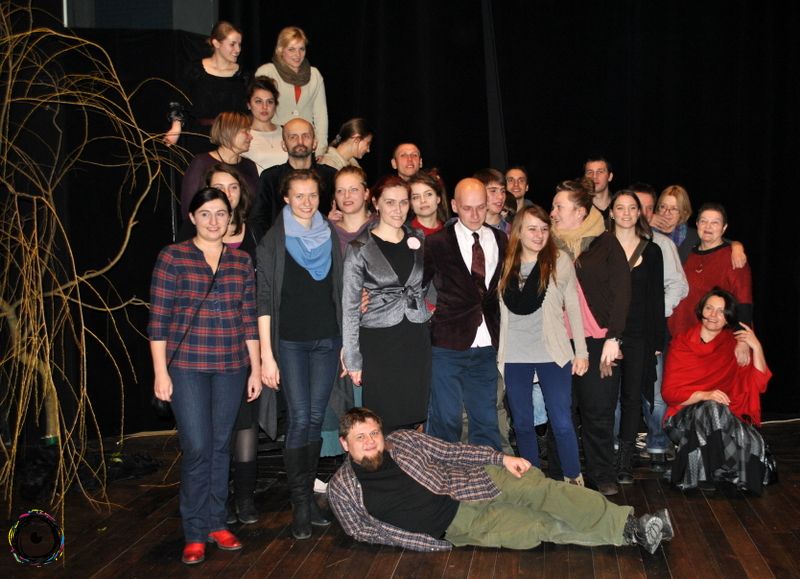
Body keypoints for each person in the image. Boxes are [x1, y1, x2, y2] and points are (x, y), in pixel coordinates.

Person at [328, 408, 673, 554]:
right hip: (460, 526)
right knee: (536, 527)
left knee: (543, 491)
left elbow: (453, 451)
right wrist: (420, 542)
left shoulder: (403, 441)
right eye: (361, 437)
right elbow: (360, 530)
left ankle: (630, 523)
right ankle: (630, 535)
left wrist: (500, 458)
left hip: (474, 479)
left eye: (374, 433)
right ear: (345, 443)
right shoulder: (342, 489)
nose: (371, 441)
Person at [149, 187, 261, 565]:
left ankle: (216, 522)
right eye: (206, 214)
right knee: (197, 447)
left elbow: (248, 319)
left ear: (231, 219)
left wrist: (255, 368)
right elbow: (158, 320)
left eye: (221, 214)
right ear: (192, 217)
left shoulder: (241, 262)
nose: (214, 221)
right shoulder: (173, 257)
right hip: (187, 366)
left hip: (231, 366)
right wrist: (160, 372)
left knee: (220, 446)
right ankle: (194, 531)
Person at [256, 169, 343, 540]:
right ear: (286, 198)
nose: (307, 202)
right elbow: (263, 301)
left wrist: (346, 344)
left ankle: (307, 499)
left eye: (313, 195)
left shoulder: (330, 235)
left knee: (316, 418)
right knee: (300, 418)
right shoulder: (272, 241)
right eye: (299, 195)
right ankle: (301, 505)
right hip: (290, 343)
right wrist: (267, 355)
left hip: (327, 341)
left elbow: (340, 292)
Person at [496, 206, 588, 485]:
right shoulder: (505, 263)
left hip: (553, 353)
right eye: (532, 229)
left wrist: (581, 352)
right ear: (519, 232)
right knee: (523, 424)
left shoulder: (559, 261)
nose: (539, 235)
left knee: (562, 422)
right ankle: (533, 482)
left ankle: (574, 480)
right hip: (514, 354)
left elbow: (574, 307)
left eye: (544, 229)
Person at [550, 179, 630, 496]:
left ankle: (602, 473)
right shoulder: (547, 245)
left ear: (580, 212)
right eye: (553, 206)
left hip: (599, 343)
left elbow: (623, 292)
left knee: (598, 411)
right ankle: (561, 473)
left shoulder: (606, 243)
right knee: (561, 412)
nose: (552, 212)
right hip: (560, 342)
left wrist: (614, 337)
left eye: (559, 206)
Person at [342, 175, 432, 432]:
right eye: (390, 202)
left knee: (415, 413)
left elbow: (428, 285)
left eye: (403, 202)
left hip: (415, 336)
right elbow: (349, 308)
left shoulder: (419, 239)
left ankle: (411, 457)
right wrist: (353, 358)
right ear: (376, 203)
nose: (398, 209)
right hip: (378, 341)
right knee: (383, 418)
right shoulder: (359, 247)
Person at [423, 178, 507, 450]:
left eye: (481, 207)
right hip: (447, 344)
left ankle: (485, 473)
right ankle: (441, 473)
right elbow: (415, 286)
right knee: (446, 418)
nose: (474, 214)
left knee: (486, 419)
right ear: (454, 205)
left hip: (487, 344)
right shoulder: (436, 242)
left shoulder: (501, 239)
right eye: (467, 208)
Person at [662, 289, 771, 494]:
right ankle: (712, 474)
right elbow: (669, 394)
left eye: (721, 311)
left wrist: (755, 346)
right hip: (681, 419)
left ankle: (717, 471)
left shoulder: (733, 346)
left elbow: (759, 384)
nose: (713, 315)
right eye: (709, 308)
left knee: (752, 439)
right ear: (701, 311)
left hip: (722, 418)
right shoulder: (681, 343)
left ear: (728, 317)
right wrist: (705, 395)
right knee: (711, 407)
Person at [630, 183, 689, 471]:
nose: (641, 213)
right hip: (618, 330)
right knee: (618, 391)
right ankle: (619, 444)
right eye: (635, 206)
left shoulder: (663, 244)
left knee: (654, 390)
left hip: (652, 328)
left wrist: (654, 313)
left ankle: (657, 443)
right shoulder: (609, 241)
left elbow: (679, 285)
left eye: (647, 207)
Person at [608, 190, 665, 484]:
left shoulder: (652, 251)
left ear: (639, 213)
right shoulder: (599, 248)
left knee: (632, 399)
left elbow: (656, 299)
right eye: (621, 208)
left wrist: (656, 342)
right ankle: (604, 456)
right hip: (606, 336)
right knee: (605, 399)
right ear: (611, 212)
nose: (627, 213)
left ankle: (624, 462)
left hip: (639, 336)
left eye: (632, 208)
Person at [319, 166, 374, 459]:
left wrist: (373, 295)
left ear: (366, 193)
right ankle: (340, 464)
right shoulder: (323, 232)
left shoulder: (381, 228)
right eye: (340, 190)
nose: (347, 195)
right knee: (336, 399)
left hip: (376, 329)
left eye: (354, 189)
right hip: (333, 327)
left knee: (370, 401)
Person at [668, 203, 753, 366]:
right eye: (704, 221)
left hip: (715, 343)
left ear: (724, 228)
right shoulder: (687, 253)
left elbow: (744, 302)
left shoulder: (733, 258)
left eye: (715, 223)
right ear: (697, 224)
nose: (708, 227)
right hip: (682, 339)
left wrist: (743, 341)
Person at [165, 21, 250, 153]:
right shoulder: (194, 71)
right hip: (200, 140)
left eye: (239, 44)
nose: (238, 49)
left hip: (232, 139)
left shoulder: (243, 76)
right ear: (216, 43)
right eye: (232, 44)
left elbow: (250, 109)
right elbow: (178, 102)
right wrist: (176, 128)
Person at [252, 118, 336, 231]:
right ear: (284, 145)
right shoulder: (270, 178)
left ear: (315, 143)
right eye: (293, 137)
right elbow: (258, 221)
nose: (300, 141)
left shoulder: (331, 176)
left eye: (306, 136)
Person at [255, 26, 328, 157]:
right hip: (275, 143)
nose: (297, 55)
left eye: (301, 49)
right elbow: (258, 111)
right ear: (280, 50)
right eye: (291, 49)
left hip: (305, 145)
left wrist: (321, 148)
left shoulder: (315, 75)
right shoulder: (267, 72)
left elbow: (321, 115)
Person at [179, 112, 259, 219]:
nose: (251, 137)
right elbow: (188, 208)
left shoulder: (249, 165)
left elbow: (257, 207)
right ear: (229, 132)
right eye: (245, 132)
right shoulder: (202, 162)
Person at [650, 184, 747, 266]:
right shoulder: (646, 232)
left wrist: (737, 246)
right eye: (663, 206)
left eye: (674, 209)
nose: (666, 213)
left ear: (683, 212)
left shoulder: (692, 236)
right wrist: (645, 221)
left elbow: (721, 241)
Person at [241, 76, 287, 173]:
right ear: (249, 105)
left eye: (270, 102)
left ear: (275, 105)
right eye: (258, 101)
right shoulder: (242, 135)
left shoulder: (286, 132)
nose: (264, 107)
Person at [408, 169, 449, 236]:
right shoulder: (404, 233)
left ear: (438, 198)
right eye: (416, 197)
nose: (423, 200)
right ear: (411, 204)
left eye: (428, 194)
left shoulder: (450, 232)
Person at [473, 168, 510, 234]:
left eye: (503, 191)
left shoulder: (511, 231)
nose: (501, 196)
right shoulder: (459, 227)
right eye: (493, 191)